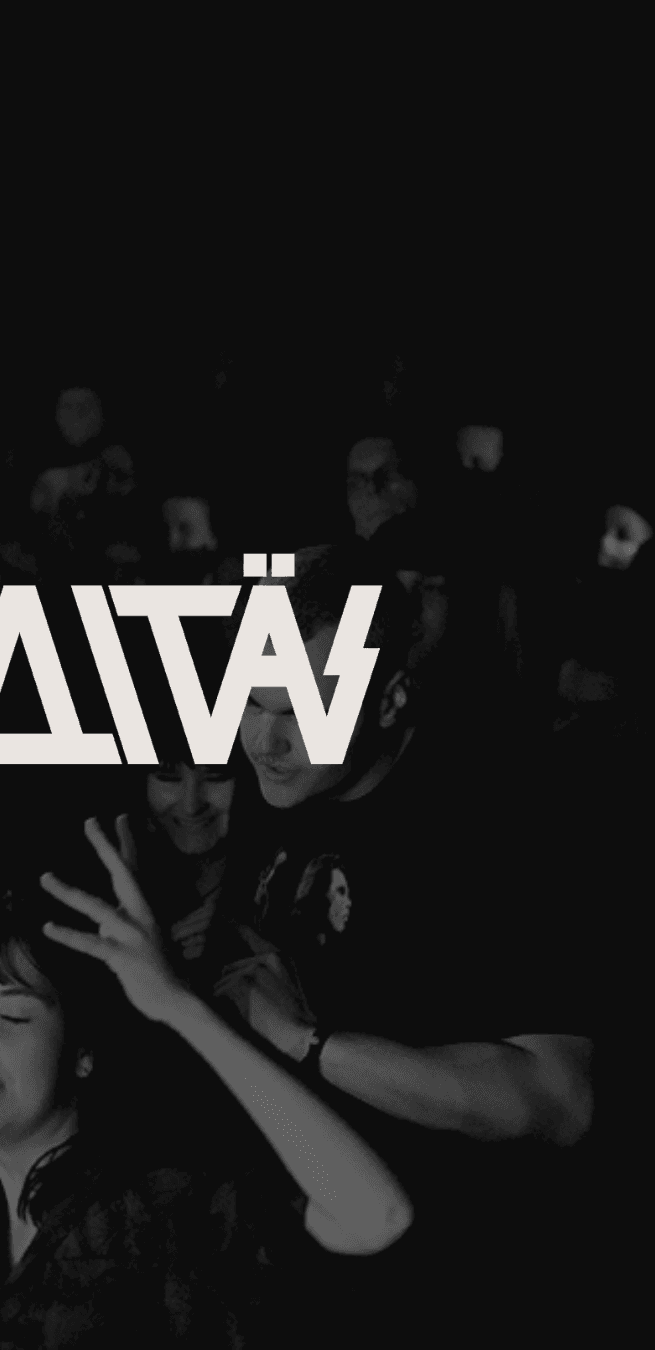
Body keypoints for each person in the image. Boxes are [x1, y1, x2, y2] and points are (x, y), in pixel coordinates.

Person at [0, 808, 412, 1346]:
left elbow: (376, 1215)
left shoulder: (157, 1201)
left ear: (82, 1053)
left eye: (13, 1014)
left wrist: (179, 1007)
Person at [223, 541, 595, 1319]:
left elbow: (559, 1101)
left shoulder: (498, 822)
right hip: (286, 1263)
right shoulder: (281, 782)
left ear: (390, 700)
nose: (265, 739)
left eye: (301, 711)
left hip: (441, 1284)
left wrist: (310, 1043)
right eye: (251, 703)